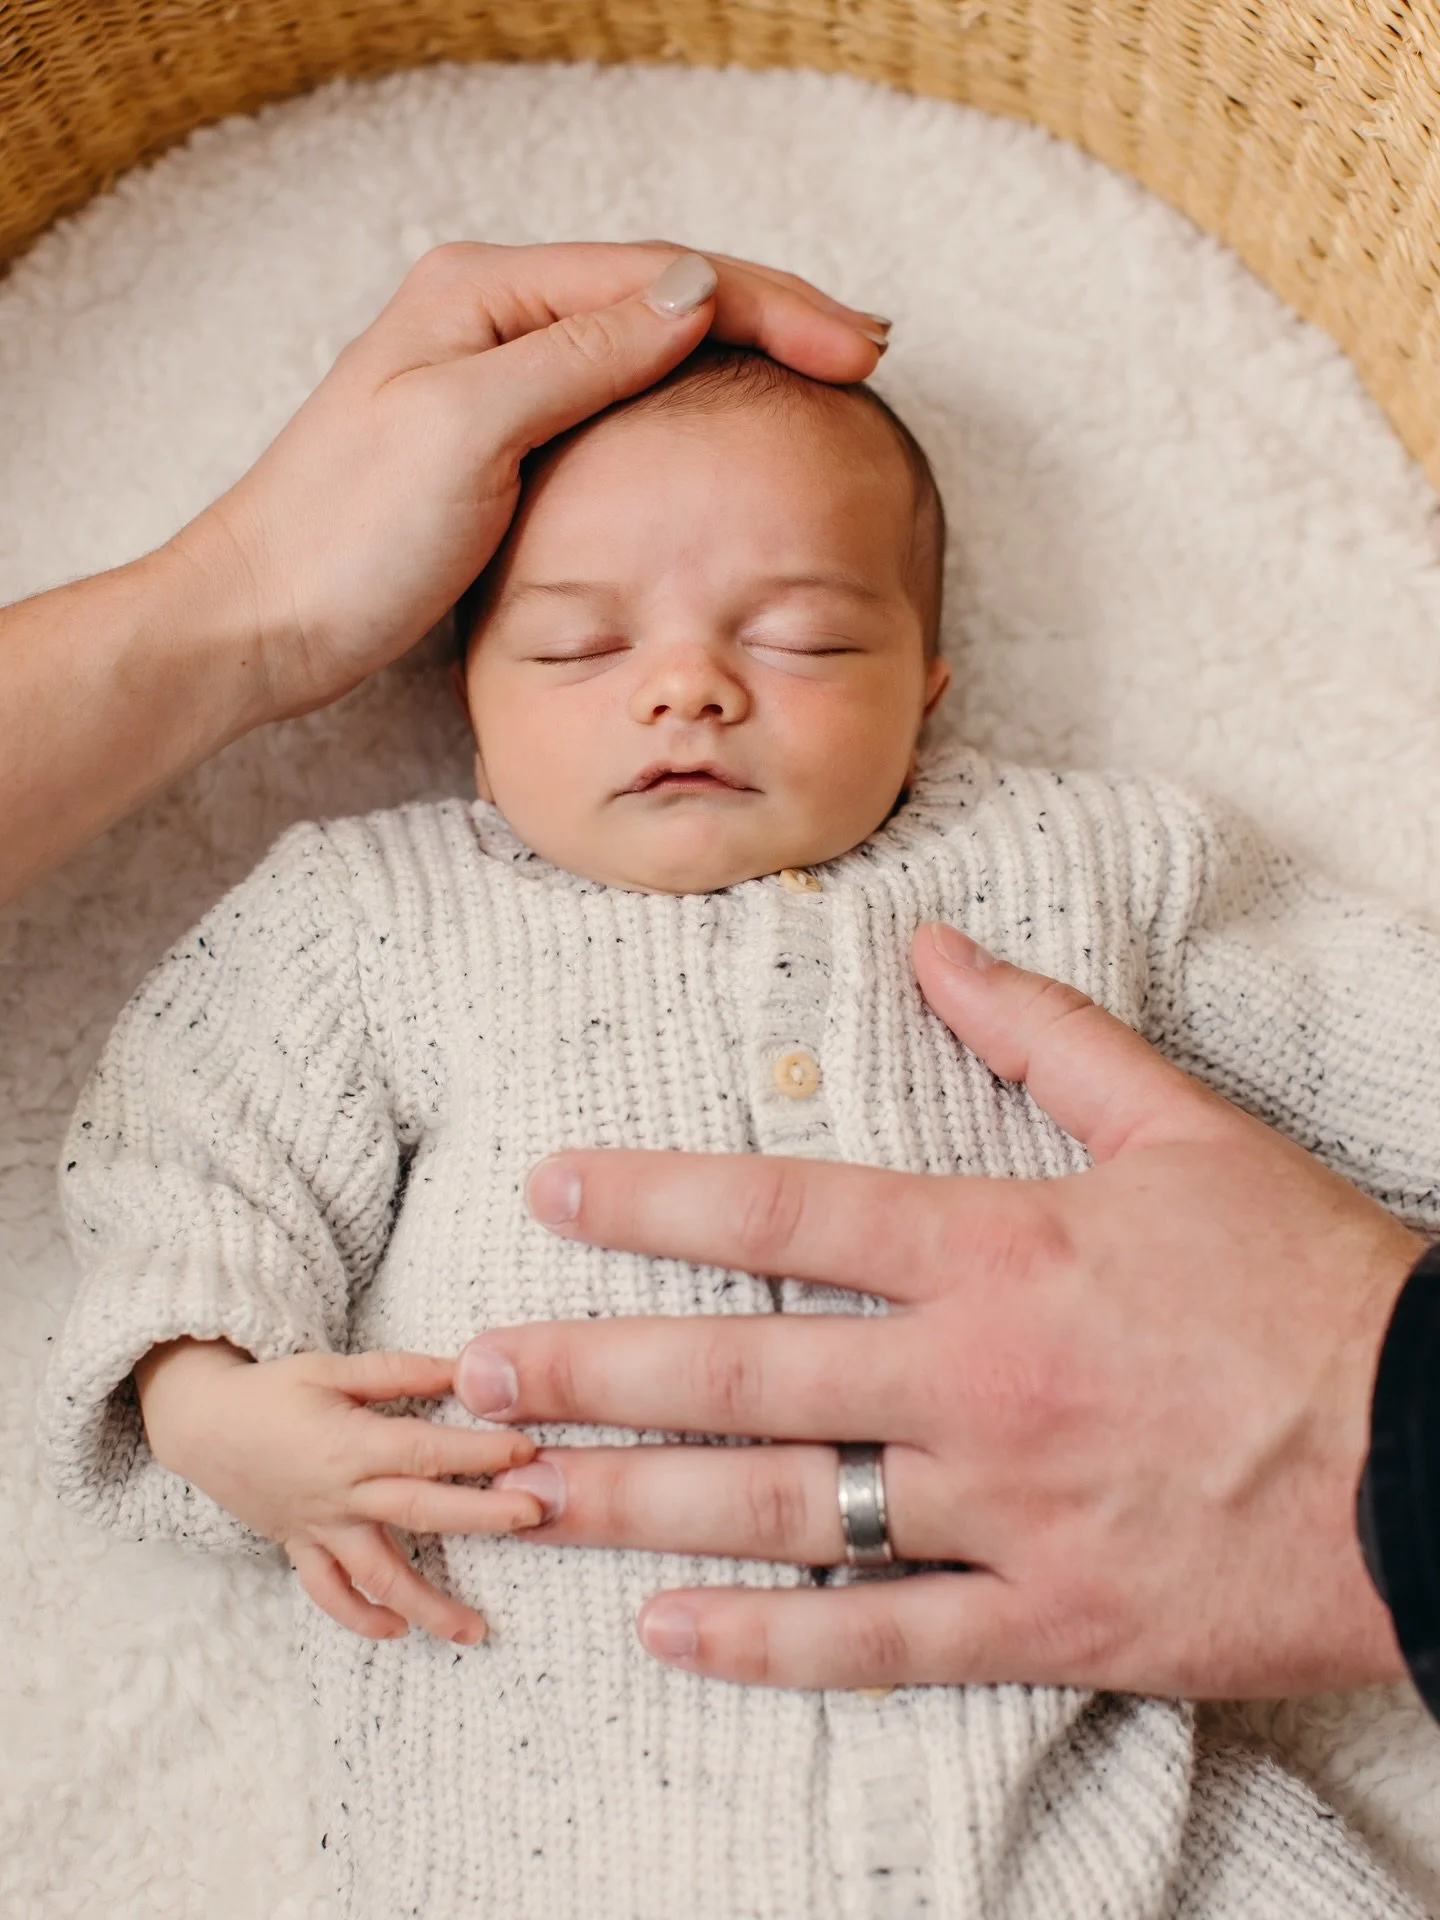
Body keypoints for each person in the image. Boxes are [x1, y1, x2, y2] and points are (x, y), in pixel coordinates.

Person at [37, 338, 1432, 1916]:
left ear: (927, 685)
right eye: (576, 647)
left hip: (1079, 1798)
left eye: (805, 638)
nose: (687, 686)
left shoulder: (1080, 865)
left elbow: (1362, 1025)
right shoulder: (372, 918)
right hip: (559, 1818)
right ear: (470, 703)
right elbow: (197, 1163)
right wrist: (213, 1409)